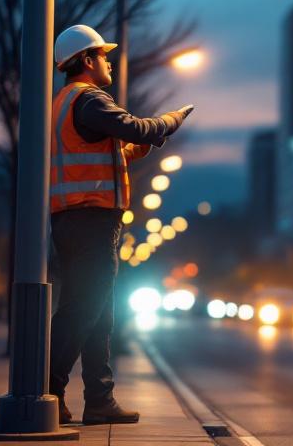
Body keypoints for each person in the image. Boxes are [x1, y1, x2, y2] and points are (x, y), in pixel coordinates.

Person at [47, 24, 194, 425]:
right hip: (90, 219)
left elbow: (110, 151)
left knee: (98, 311)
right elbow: (136, 126)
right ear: (88, 61)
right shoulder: (89, 99)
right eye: (103, 55)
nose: (108, 62)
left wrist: (134, 148)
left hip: (74, 218)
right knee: (85, 308)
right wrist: (168, 122)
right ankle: (48, 390)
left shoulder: (64, 102)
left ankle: (98, 399)